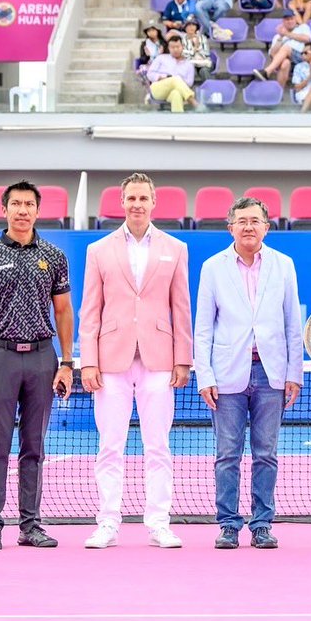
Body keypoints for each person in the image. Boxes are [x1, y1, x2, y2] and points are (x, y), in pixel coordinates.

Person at [77, 173, 192, 550]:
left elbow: (181, 307)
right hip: (110, 362)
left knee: (157, 446)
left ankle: (159, 523)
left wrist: (183, 359)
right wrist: (88, 361)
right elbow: (90, 310)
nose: (137, 204)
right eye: (131, 198)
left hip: (160, 360)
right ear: (121, 203)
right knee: (110, 445)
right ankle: (107, 523)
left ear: (153, 202)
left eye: (143, 198)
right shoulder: (99, 250)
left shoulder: (175, 248)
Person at [0, 180, 74, 550]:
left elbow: (63, 310)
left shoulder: (55, 256)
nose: (23, 210)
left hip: (44, 358)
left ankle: (31, 525)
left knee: (34, 447)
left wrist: (67, 363)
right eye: (16, 204)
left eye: (29, 204)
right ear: (5, 209)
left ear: (38, 211)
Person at [194, 197, 302, 550]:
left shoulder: (284, 265)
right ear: (231, 227)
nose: (248, 227)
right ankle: (227, 524)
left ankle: (262, 524)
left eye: (255, 221)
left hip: (272, 374)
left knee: (266, 454)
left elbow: (292, 324)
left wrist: (294, 373)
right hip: (227, 375)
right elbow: (203, 328)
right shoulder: (212, 267)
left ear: (266, 227)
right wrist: (205, 376)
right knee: (227, 454)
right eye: (242, 221)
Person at [254, 9, 311, 85]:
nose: (290, 21)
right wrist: (281, 38)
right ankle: (279, 91)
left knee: (286, 47)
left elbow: (307, 39)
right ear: (283, 22)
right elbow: (272, 54)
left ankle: (267, 71)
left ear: (295, 19)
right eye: (287, 20)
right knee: (285, 63)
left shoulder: (303, 27)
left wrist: (287, 34)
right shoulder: (278, 36)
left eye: (291, 19)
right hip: (288, 62)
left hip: (302, 58)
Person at [146, 34, 202, 112]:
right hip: (158, 89)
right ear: (169, 48)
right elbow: (150, 74)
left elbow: (189, 83)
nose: (175, 49)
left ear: (183, 47)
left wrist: (177, 82)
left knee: (177, 94)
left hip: (178, 90)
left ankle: (178, 120)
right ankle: (193, 102)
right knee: (175, 79)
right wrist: (165, 77)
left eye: (178, 47)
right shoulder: (161, 58)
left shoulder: (189, 64)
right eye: (172, 47)